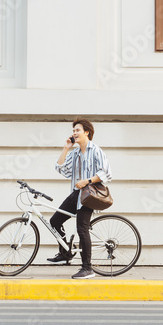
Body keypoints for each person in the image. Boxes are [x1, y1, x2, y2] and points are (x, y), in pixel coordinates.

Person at [48, 118, 112, 279]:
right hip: (76, 195)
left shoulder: (96, 150)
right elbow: (61, 169)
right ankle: (66, 253)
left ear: (87, 132)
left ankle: (87, 268)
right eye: (73, 130)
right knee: (55, 221)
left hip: (89, 195)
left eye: (77, 130)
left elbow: (106, 173)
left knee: (81, 229)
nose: (74, 133)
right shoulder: (75, 152)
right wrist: (65, 148)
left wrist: (87, 181)